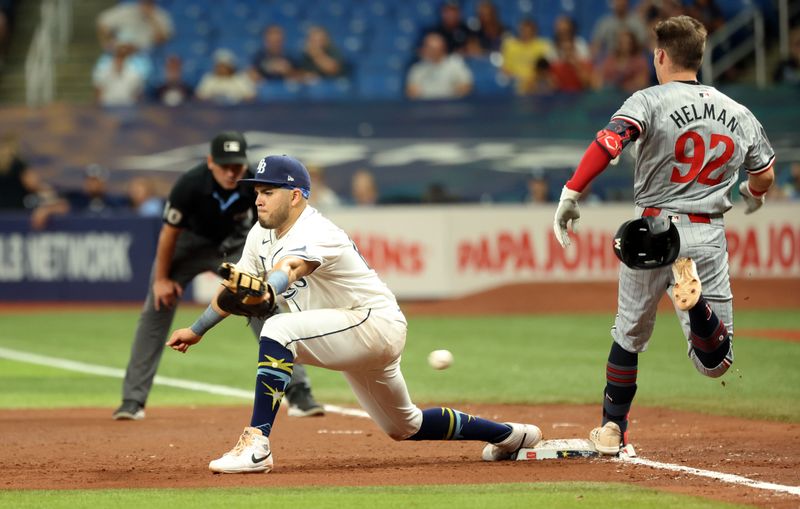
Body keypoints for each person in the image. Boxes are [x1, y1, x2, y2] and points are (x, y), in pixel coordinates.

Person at [166, 154, 543, 473]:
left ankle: (256, 445)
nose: (258, 199)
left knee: (279, 329)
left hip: (373, 323)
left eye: (268, 191)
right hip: (343, 332)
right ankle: (510, 435)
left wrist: (271, 288)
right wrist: (198, 329)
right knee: (403, 425)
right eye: (257, 192)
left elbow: (293, 267)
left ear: (296, 196)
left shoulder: (317, 229)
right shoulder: (259, 235)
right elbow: (238, 287)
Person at [552, 15, 775, 455]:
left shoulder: (649, 100)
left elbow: (610, 143)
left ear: (660, 56)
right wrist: (752, 192)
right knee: (716, 362)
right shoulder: (738, 111)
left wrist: (571, 192)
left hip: (650, 233)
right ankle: (698, 309)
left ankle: (612, 429)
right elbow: (765, 172)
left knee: (628, 336)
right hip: (706, 233)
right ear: (699, 57)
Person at [113, 132, 323, 422]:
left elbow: (268, 228)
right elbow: (168, 235)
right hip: (188, 247)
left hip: (231, 246)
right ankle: (133, 400)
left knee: (261, 300)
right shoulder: (190, 185)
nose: (230, 172)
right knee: (156, 308)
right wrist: (162, 279)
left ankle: (299, 392)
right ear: (210, 162)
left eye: (236, 165)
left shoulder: (254, 185)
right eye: (224, 165)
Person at [406, 32, 473, 100]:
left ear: (442, 49)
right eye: (427, 47)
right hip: (426, 106)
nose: (430, 51)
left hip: (451, 105)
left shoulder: (456, 63)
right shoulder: (417, 68)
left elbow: (466, 86)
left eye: (433, 49)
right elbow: (411, 91)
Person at [96, 0, 173, 53]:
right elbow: (103, 23)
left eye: (148, 3)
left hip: (143, 54)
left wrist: (151, 18)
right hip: (119, 51)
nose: (145, 5)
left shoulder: (161, 16)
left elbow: (161, 39)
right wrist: (107, 42)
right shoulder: (128, 10)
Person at [500, 19, 553, 95]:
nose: (526, 33)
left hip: (535, 84)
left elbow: (546, 69)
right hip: (513, 83)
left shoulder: (543, 45)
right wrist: (515, 80)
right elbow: (504, 68)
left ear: (535, 31)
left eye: (529, 31)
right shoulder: (509, 45)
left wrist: (532, 81)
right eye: (523, 30)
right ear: (519, 30)